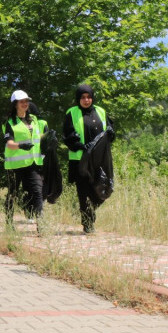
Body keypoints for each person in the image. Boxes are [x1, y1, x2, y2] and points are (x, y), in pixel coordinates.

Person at [63, 84, 114, 234]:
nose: (86, 100)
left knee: (104, 189)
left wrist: (111, 132)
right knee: (84, 193)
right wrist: (80, 145)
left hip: (100, 161)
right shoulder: (71, 113)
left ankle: (89, 214)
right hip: (81, 161)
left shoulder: (101, 111)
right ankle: (88, 224)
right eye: (83, 97)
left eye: (89, 97)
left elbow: (109, 132)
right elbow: (67, 134)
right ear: (78, 99)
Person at [2, 90, 47, 228]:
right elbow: (9, 143)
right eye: (22, 101)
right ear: (15, 104)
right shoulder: (9, 122)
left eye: (26, 101)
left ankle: (41, 225)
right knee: (12, 194)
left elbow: (40, 137)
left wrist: (49, 138)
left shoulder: (34, 119)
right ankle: (9, 223)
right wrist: (21, 145)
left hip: (33, 162)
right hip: (15, 165)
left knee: (38, 192)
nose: (25, 104)